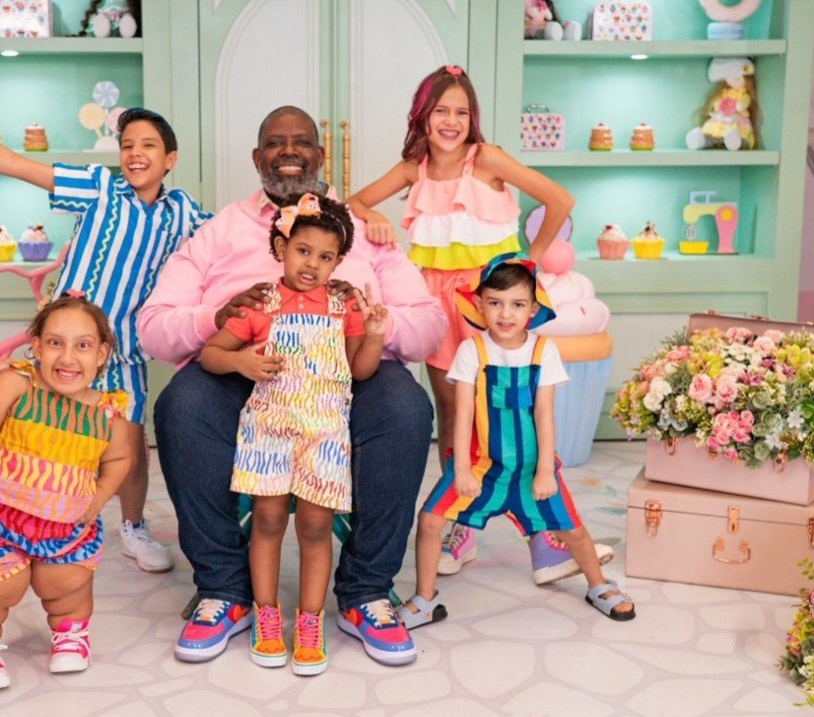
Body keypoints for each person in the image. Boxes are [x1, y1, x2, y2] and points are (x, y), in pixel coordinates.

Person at [139, 106, 446, 667]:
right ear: (257, 158)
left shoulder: (361, 229)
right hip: (247, 366)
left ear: (320, 156)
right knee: (181, 406)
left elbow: (429, 323)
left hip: (344, 370)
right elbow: (154, 325)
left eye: (301, 142)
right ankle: (225, 590)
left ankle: (365, 593)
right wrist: (217, 316)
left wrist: (369, 318)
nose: (288, 151)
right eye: (275, 143)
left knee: (405, 408)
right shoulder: (220, 229)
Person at [0, 104, 209, 573]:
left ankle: (134, 528)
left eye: (148, 145)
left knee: (129, 447)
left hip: (123, 352)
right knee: (35, 432)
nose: (135, 153)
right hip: (64, 344)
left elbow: (233, 239)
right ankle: (19, 517)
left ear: (170, 158)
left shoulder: (184, 211)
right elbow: (15, 163)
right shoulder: (100, 188)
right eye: (127, 145)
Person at [347, 64, 608, 584]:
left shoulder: (486, 159)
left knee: (513, 409)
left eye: (462, 112)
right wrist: (372, 216)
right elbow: (353, 202)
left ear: (473, 119)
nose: (451, 121)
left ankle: (544, 536)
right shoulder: (414, 169)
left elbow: (560, 200)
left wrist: (528, 265)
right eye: (441, 111)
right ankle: (462, 525)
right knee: (454, 411)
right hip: (436, 302)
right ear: (422, 117)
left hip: (491, 302)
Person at [199, 193, 388, 675]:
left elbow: (359, 371)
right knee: (266, 519)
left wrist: (374, 335)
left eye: (325, 257)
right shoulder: (260, 303)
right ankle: (265, 615)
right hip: (268, 429)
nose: (312, 264)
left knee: (316, 525)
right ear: (282, 248)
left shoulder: (343, 305)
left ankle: (309, 621)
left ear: (338, 262)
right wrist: (241, 361)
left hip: (324, 431)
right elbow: (210, 355)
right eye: (303, 251)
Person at [395, 254, 636, 629]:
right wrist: (461, 469)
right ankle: (425, 599)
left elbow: (544, 413)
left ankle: (599, 585)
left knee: (572, 529)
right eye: (495, 302)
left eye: (518, 304)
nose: (505, 314)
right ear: (480, 304)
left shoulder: (543, 351)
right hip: (480, 467)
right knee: (429, 521)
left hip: (530, 470)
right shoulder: (471, 350)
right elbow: (462, 412)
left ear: (532, 309)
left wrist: (545, 471)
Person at [0, 294, 132, 691]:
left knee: (68, 585)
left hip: (66, 527)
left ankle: (71, 631)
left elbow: (119, 460)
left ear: (101, 354)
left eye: (83, 345)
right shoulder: (17, 384)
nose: (67, 357)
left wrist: (97, 499)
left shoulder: (107, 412)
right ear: (37, 346)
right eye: (56, 343)